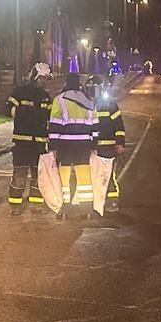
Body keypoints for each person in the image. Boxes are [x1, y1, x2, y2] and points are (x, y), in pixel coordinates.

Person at [49, 72, 98, 220]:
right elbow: (95, 124)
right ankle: (86, 209)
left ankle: (64, 207)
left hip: (65, 143)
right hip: (83, 143)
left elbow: (54, 125)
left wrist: (53, 146)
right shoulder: (89, 101)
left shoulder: (59, 100)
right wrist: (93, 144)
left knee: (64, 176)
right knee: (84, 175)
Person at [6, 63, 53, 215]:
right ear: (36, 77)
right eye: (43, 78)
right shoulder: (19, 93)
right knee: (19, 174)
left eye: (46, 79)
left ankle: (36, 203)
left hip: (39, 142)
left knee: (38, 174)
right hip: (22, 141)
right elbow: (8, 109)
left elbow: (50, 117)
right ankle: (15, 204)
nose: (45, 82)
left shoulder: (45, 97)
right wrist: (23, 113)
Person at [89, 74, 127, 219]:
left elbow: (119, 125)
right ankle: (95, 202)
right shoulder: (87, 103)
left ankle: (111, 202)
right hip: (92, 148)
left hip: (108, 147)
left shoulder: (109, 104)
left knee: (108, 175)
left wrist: (120, 142)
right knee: (92, 175)